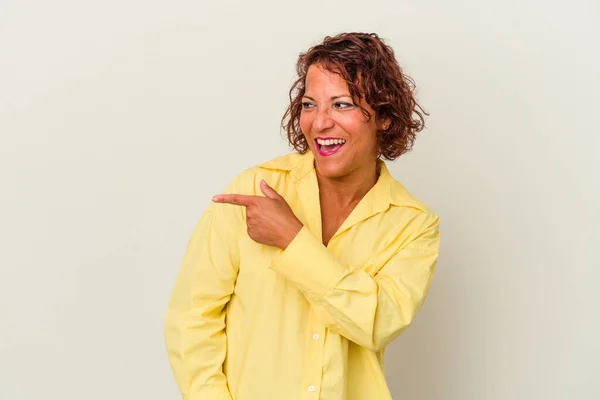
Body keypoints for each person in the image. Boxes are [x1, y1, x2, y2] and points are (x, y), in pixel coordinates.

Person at [164, 32, 440, 400]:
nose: (320, 123)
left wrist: (293, 240)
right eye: (310, 104)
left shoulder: (412, 224)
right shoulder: (255, 189)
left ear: (385, 118)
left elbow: (376, 322)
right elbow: (191, 319)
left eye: (341, 104)